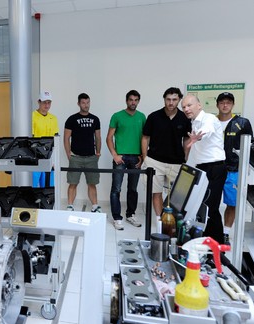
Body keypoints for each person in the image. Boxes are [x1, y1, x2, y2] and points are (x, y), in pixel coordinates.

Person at [142, 87, 191, 223]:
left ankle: (171, 221)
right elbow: (145, 137)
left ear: (179, 100)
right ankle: (159, 221)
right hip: (155, 160)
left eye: (174, 99)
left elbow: (187, 138)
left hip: (176, 162)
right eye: (168, 99)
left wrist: (186, 156)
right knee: (156, 192)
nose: (171, 102)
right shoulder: (154, 116)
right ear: (164, 99)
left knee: (176, 195)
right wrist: (145, 157)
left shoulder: (184, 118)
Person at [183, 94, 226, 244]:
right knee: (202, 207)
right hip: (202, 168)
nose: (186, 109)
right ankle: (206, 243)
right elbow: (196, 151)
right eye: (184, 107)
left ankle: (217, 246)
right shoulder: (194, 122)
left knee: (210, 208)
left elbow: (205, 132)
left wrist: (198, 137)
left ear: (199, 105)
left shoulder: (208, 119)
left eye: (189, 105)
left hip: (215, 168)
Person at [216, 92, 253, 244]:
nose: (225, 105)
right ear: (217, 104)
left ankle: (225, 233)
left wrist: (246, 167)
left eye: (228, 103)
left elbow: (249, 146)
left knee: (232, 204)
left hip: (234, 170)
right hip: (215, 169)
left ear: (232, 105)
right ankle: (213, 231)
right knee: (210, 204)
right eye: (222, 102)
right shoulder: (211, 122)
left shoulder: (242, 123)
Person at [106, 90, 146, 230]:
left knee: (133, 189)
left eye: (135, 100)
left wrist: (142, 157)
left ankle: (131, 214)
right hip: (120, 157)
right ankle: (117, 218)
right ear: (126, 100)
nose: (133, 102)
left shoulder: (142, 117)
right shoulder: (117, 116)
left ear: (138, 101)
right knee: (116, 189)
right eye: (130, 99)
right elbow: (109, 137)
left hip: (136, 158)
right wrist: (114, 154)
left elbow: (144, 139)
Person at [64, 92, 102, 212]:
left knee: (92, 183)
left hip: (91, 157)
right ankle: (70, 205)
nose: (86, 105)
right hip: (76, 157)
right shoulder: (72, 119)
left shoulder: (95, 119)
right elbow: (66, 138)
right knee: (73, 183)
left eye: (87, 102)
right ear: (78, 103)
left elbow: (98, 137)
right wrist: (68, 153)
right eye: (83, 103)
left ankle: (95, 206)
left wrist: (98, 152)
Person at [32, 90, 59, 187]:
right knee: (33, 186)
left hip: (48, 156)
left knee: (48, 187)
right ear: (39, 102)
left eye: (49, 102)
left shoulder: (53, 118)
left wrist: (54, 160)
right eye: (44, 102)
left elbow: (55, 140)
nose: (47, 105)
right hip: (35, 156)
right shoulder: (32, 116)